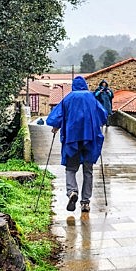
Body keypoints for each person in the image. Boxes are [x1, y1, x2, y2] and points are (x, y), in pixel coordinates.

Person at [46, 76, 108, 212]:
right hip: (90, 140)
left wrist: (56, 126)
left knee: (70, 169)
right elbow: (103, 115)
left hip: (72, 140)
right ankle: (85, 202)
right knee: (88, 171)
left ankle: (72, 192)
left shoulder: (68, 98)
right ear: (85, 85)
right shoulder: (91, 98)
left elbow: (57, 116)